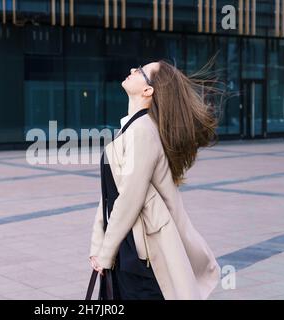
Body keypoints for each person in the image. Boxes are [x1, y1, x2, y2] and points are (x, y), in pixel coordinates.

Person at [89, 60, 222, 300]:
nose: (131, 70)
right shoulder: (132, 128)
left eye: (140, 71)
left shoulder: (143, 130)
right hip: (128, 247)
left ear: (148, 90)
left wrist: (105, 252)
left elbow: (130, 198)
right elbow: (111, 194)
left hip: (141, 252)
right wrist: (99, 245)